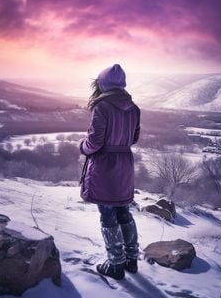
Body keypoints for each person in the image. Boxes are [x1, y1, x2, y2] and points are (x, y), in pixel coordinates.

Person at [79, 64, 140, 280]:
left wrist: (82, 147)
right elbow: (133, 138)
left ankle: (115, 265)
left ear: (102, 84)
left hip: (105, 165)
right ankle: (132, 260)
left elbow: (95, 141)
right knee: (124, 211)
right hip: (124, 164)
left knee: (107, 214)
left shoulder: (101, 107)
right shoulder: (134, 108)